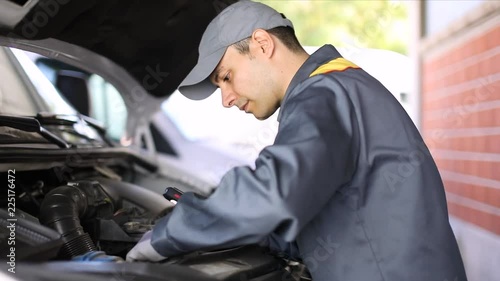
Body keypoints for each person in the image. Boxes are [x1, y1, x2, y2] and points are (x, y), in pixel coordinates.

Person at [126, 1, 468, 280]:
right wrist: (224, 221)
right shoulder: (338, 87)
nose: (226, 98)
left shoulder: (325, 94)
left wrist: (170, 234)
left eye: (226, 77)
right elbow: (321, 217)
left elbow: (274, 194)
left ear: (262, 43)